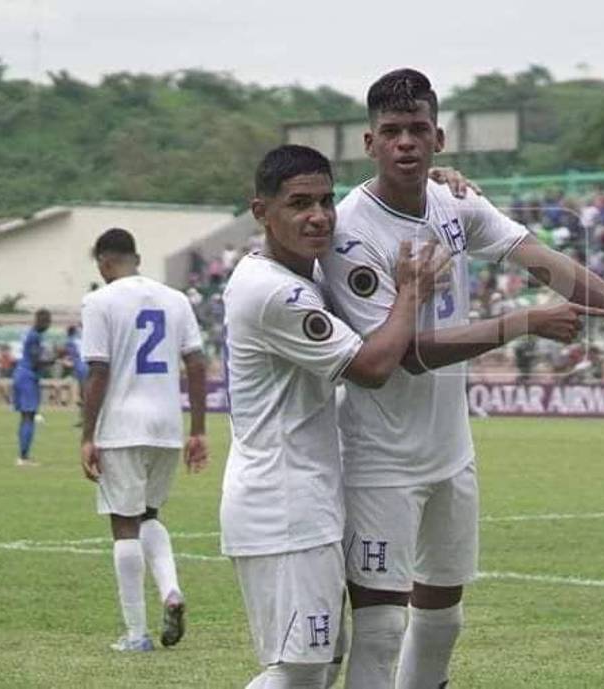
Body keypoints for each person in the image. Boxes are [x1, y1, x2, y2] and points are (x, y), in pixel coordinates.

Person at [319, 68, 604, 689]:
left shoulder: (455, 202)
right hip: (377, 457)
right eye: (391, 132)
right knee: (383, 629)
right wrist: (518, 322)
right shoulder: (351, 232)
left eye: (417, 129)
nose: (406, 143)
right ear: (369, 143)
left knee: (443, 619)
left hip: (450, 451)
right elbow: (400, 356)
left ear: (439, 137)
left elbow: (545, 262)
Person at [220, 144, 448, 688]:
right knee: (300, 670)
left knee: (319, 667)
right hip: (283, 506)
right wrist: (411, 293)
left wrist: (432, 183)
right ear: (261, 212)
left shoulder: (301, 278)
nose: (318, 216)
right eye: (299, 204)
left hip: (305, 501)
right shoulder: (275, 293)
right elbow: (372, 366)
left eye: (325, 201)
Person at [78, 228, 208, 653]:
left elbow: (97, 371)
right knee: (150, 515)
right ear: (137, 256)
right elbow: (197, 364)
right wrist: (199, 430)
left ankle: (136, 633)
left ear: (103, 261)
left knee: (123, 524)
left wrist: (87, 434)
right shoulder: (176, 299)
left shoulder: (99, 301)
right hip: (166, 426)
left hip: (121, 427)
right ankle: (170, 590)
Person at [12, 308, 52, 467]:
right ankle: (23, 457)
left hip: (21, 375)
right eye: (48, 322)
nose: (48, 326)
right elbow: (36, 361)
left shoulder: (33, 335)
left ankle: (23, 455)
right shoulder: (34, 336)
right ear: (43, 322)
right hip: (27, 377)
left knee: (25, 416)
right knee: (29, 415)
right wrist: (54, 360)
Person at [65, 325, 88, 427]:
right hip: (86, 367)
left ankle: (86, 419)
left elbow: (73, 357)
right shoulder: (83, 339)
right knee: (84, 394)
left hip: (82, 369)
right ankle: (84, 418)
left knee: (84, 394)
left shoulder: (71, 341)